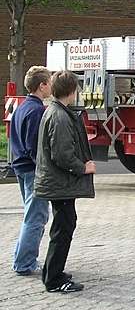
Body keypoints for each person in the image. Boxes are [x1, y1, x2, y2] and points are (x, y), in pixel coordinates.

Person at [35, 71, 96, 293]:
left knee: (63, 226)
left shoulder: (56, 111)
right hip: (60, 184)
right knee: (63, 229)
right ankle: (54, 280)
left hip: (59, 183)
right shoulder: (59, 116)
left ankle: (53, 272)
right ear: (72, 90)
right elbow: (62, 155)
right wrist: (83, 167)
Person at [10, 66, 52, 276]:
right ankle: (25, 262)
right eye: (49, 82)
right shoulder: (37, 111)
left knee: (31, 215)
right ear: (42, 85)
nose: (51, 86)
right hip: (32, 170)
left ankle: (20, 256)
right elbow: (34, 146)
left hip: (20, 167)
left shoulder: (21, 108)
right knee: (36, 217)